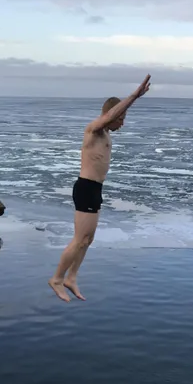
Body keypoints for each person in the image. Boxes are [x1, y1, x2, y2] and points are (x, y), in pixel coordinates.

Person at [49, 74, 151, 302]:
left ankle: (71, 278)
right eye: (121, 118)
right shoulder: (94, 129)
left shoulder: (106, 134)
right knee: (79, 239)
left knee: (87, 240)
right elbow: (109, 116)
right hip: (85, 188)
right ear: (111, 115)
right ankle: (57, 278)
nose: (122, 123)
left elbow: (112, 118)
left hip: (95, 190)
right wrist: (134, 95)